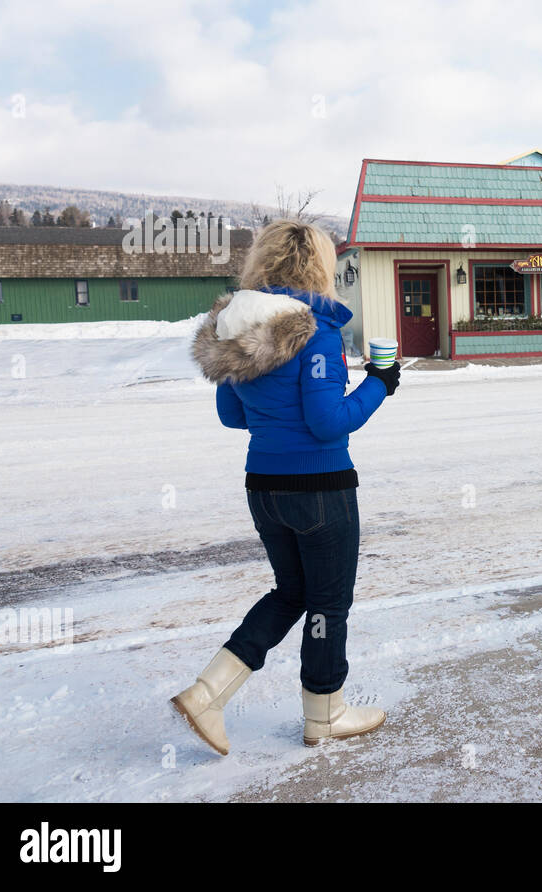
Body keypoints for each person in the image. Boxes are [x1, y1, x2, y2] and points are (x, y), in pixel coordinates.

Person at [171, 219, 402, 754]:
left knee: (292, 592)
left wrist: (275, 414)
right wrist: (379, 384)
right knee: (328, 603)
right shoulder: (315, 333)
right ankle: (325, 713)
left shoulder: (239, 330)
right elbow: (327, 422)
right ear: (317, 266)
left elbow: (232, 413)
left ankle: (207, 694)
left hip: (264, 487)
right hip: (320, 487)